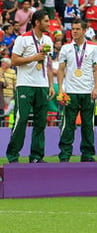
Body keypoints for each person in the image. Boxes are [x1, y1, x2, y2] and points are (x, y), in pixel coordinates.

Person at [5, 9, 54, 163]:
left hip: (42, 85)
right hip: (25, 84)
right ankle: (13, 155)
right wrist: (34, 57)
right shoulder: (23, 39)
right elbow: (14, 61)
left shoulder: (48, 40)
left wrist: (51, 85)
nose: (49, 24)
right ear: (37, 22)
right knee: (22, 119)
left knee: (41, 121)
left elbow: (48, 63)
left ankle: (36, 156)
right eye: (46, 21)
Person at [56, 19, 97, 162]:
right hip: (71, 92)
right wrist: (61, 90)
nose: (74, 31)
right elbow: (61, 69)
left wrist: (96, 87)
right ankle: (65, 154)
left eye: (77, 29)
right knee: (68, 124)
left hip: (88, 91)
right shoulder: (66, 48)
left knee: (88, 124)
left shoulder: (93, 48)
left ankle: (87, 154)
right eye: (73, 29)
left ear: (84, 30)